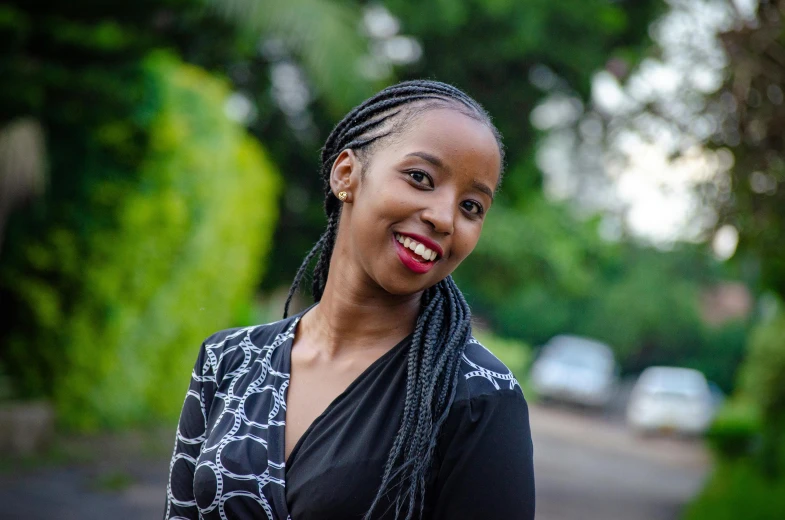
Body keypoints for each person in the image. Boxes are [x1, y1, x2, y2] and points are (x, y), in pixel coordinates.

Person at [164, 80, 535, 520]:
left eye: (472, 206)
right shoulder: (230, 360)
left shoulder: (476, 397)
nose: (444, 217)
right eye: (420, 178)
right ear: (346, 174)